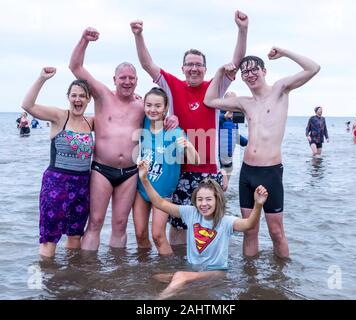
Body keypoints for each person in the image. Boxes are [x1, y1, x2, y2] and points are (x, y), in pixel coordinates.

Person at [130, 10, 248, 245]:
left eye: (198, 65)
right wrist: (139, 35)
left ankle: (207, 273)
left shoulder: (214, 87)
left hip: (208, 169)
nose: (194, 68)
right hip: (180, 170)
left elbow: (235, 63)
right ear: (182, 68)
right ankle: (178, 269)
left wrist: (242, 29)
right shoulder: (172, 85)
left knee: (210, 225)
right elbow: (147, 64)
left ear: (205, 68)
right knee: (179, 226)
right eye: (189, 65)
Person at [204, 48, 321, 258]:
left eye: (253, 69)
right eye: (245, 72)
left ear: (264, 71)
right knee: (250, 231)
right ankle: (251, 284)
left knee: (276, 232)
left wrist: (284, 52)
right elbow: (210, 100)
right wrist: (221, 71)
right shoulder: (244, 103)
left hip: (271, 173)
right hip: (248, 173)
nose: (250, 74)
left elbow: (313, 68)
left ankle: (280, 282)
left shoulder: (280, 89)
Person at [69, 27, 178, 251]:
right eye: (123, 78)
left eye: (131, 78)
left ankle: (119, 275)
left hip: (129, 172)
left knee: (119, 225)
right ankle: (87, 272)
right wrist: (84, 40)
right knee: (96, 222)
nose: (127, 82)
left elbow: (160, 112)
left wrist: (173, 118)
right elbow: (75, 67)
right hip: (101, 169)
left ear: (137, 81)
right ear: (114, 79)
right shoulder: (102, 95)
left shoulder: (142, 105)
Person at [138, 160, 268, 299]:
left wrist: (258, 204)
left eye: (208, 199)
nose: (204, 204)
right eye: (200, 199)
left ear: (217, 200)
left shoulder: (226, 222)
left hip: (217, 273)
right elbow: (160, 203)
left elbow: (249, 224)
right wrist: (144, 179)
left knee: (180, 276)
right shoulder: (191, 213)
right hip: (194, 269)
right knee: (156, 277)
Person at [21, 67, 94, 257]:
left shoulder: (91, 122)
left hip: (83, 185)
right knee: (49, 237)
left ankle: (71, 277)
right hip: (57, 184)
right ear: (68, 97)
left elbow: (117, 119)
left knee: (75, 235)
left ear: (89, 99)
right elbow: (27, 105)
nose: (78, 99)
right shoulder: (59, 116)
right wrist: (41, 78)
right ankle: (47, 279)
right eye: (74, 95)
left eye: (82, 96)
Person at [133, 87, 199, 255]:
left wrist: (187, 147)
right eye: (148, 105)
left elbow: (195, 160)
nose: (152, 110)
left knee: (158, 235)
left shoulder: (175, 132)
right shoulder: (144, 123)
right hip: (142, 189)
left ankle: (168, 271)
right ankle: (144, 269)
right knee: (140, 234)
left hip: (163, 193)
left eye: (157, 106)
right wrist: (134, 96)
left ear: (165, 108)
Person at [219, 91, 248, 190]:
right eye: (229, 101)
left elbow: (235, 136)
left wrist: (249, 142)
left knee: (224, 190)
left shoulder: (234, 118)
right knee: (216, 189)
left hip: (229, 159)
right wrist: (224, 116)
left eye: (234, 101)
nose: (232, 103)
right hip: (219, 161)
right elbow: (212, 124)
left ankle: (224, 205)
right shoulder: (218, 114)